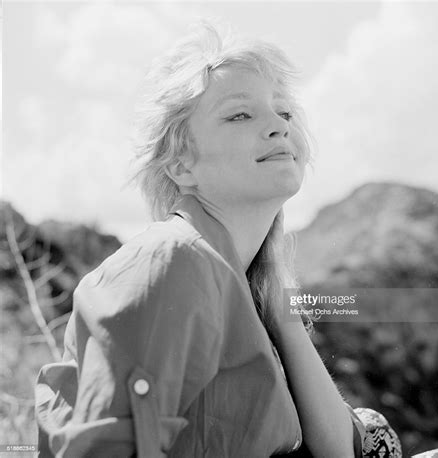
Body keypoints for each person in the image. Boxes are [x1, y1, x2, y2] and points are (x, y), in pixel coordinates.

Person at [35, 22, 367, 457]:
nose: (278, 126)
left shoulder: (245, 278)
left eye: (283, 111)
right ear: (181, 165)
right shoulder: (171, 261)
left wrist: (279, 304)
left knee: (373, 428)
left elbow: (339, 451)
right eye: (240, 114)